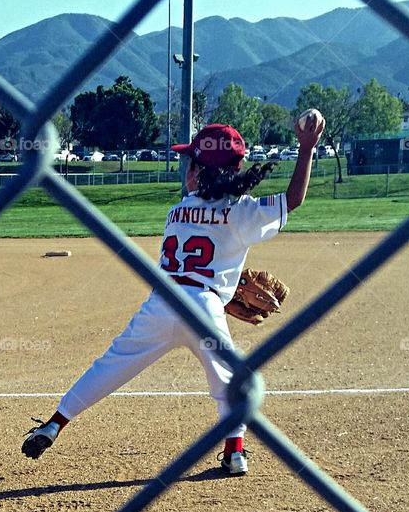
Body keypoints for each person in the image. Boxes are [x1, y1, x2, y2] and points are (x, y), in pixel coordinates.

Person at [21, 113, 325, 475]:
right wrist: (306, 148)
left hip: (162, 304)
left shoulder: (177, 211)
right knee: (231, 381)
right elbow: (292, 200)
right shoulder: (242, 212)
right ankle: (235, 452)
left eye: (190, 163)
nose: (187, 170)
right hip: (206, 308)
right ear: (237, 166)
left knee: (112, 364)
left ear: (199, 171)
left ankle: (55, 423)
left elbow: (191, 264)